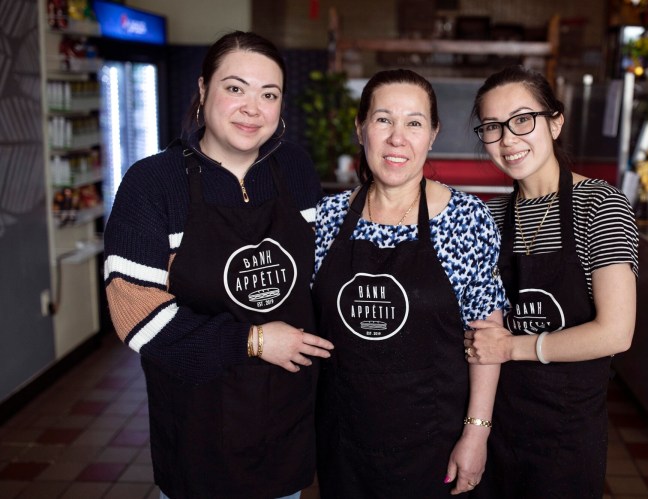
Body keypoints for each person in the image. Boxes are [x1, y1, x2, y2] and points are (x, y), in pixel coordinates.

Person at [103, 31, 334, 499]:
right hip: (200, 424)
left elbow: (320, 274)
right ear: (204, 89)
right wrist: (254, 340)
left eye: (269, 94)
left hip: (285, 420)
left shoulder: (294, 168)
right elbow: (137, 315)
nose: (253, 107)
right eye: (235, 88)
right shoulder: (154, 182)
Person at [312, 68, 506, 498]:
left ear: (432, 134)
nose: (397, 138)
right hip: (344, 443)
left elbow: (487, 338)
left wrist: (476, 434)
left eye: (414, 123)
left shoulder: (466, 219)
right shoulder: (326, 218)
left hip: (435, 445)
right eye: (384, 120)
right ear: (360, 127)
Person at [463, 65, 639, 498]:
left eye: (522, 120)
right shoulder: (490, 216)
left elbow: (616, 332)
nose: (508, 138)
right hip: (498, 423)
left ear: (555, 122)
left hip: (566, 433)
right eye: (492, 127)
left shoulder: (600, 204)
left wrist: (512, 347)